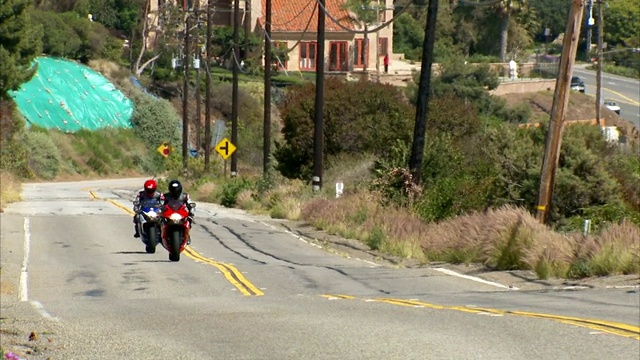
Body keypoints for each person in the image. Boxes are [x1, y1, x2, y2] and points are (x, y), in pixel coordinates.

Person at [163, 179, 195, 245]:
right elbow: (160, 203)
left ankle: (187, 234)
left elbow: (190, 204)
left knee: (189, 219)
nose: (175, 192)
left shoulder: (185, 196)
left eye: (176, 190)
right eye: (173, 190)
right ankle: (162, 234)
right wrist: (160, 209)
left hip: (181, 213)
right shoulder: (165, 196)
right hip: (169, 213)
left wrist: (191, 210)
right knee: (161, 220)